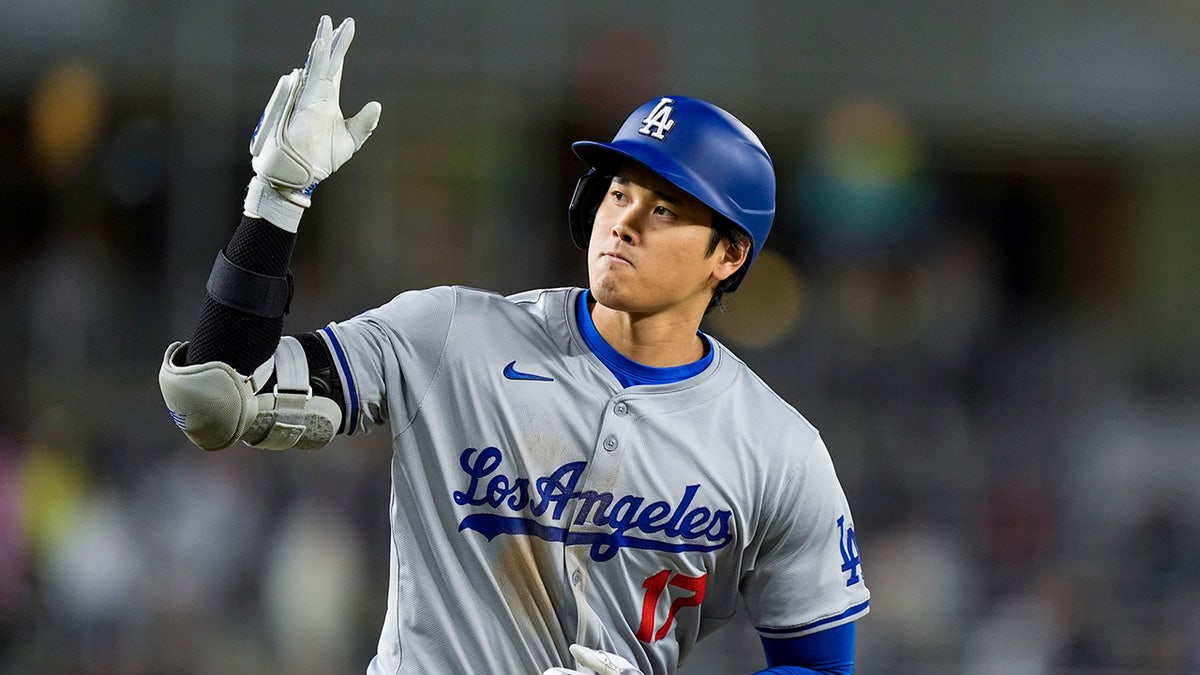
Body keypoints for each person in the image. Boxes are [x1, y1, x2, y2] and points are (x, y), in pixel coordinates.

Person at [158, 15, 869, 675]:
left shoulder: (779, 449)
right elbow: (217, 396)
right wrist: (277, 199)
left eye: (666, 209)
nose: (623, 222)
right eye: (619, 193)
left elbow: (821, 665)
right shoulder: (452, 336)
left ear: (730, 255)